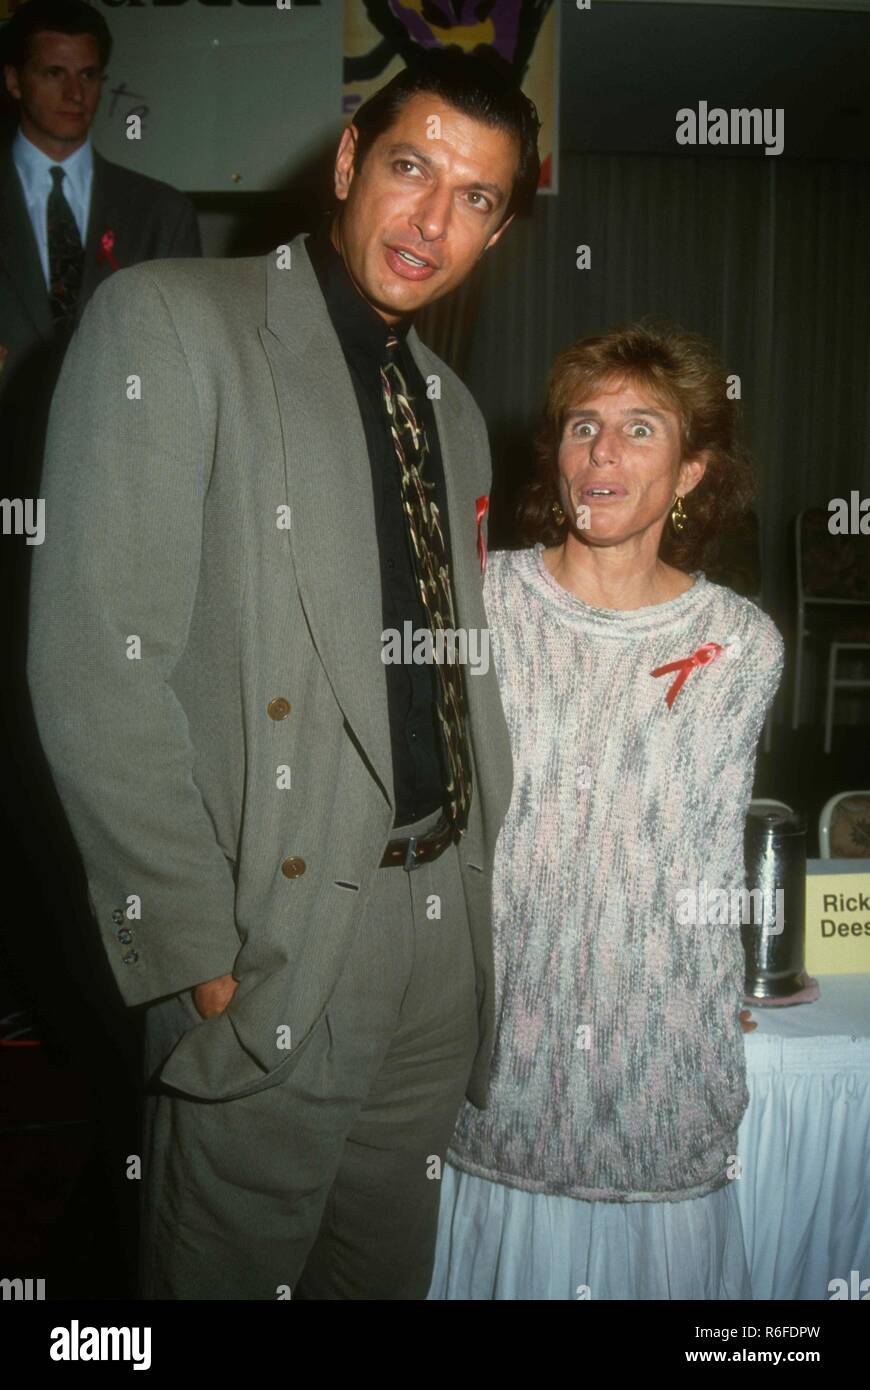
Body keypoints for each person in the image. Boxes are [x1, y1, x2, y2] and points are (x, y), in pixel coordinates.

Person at [27, 50, 540, 1299]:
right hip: (276, 927)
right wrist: (196, 942)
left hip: (436, 943)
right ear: (352, 161)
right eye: (413, 167)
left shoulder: (455, 407)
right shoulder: (170, 320)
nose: (433, 220)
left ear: (501, 227)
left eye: (476, 197)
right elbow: (99, 668)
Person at [429, 322, 784, 1300]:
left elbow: (698, 852)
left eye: (640, 429)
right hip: (504, 1057)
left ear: (692, 472)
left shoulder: (735, 643)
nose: (603, 453)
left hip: (658, 1066)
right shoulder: (482, 606)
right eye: (584, 425)